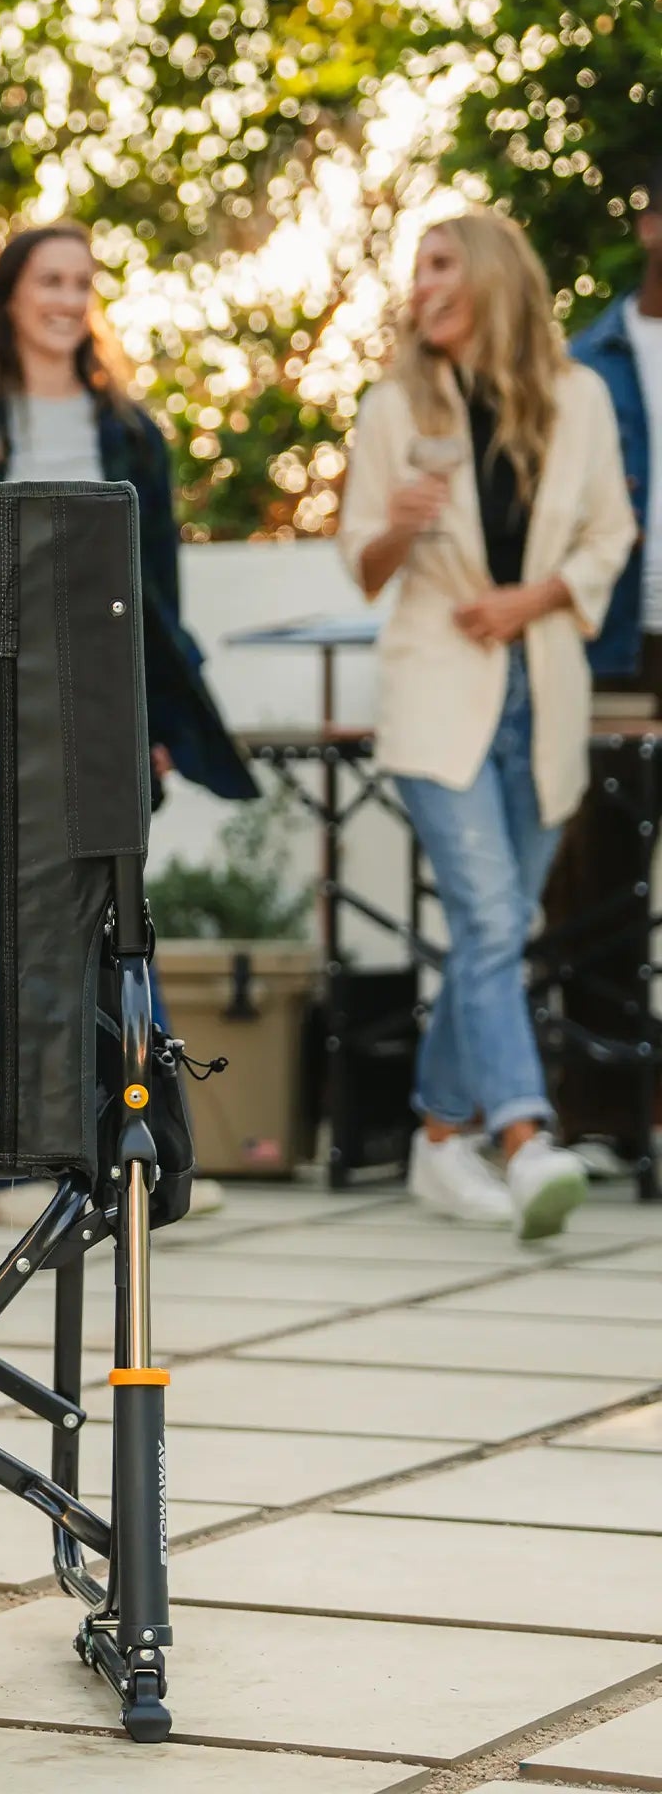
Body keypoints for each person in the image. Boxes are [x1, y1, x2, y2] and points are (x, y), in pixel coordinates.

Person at [0, 221, 255, 1223]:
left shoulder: (129, 432)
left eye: (80, 282)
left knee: (116, 930)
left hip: (96, 706)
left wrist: (156, 720)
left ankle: (149, 1161)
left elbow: (157, 596)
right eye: (49, 279)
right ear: (9, 294)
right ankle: (6, 1169)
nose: (66, 298)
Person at [339, 211, 634, 1237]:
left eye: (438, 263)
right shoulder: (393, 406)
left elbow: (612, 533)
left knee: (496, 927)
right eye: (415, 269)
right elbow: (362, 564)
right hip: (435, 688)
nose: (419, 283)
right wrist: (397, 526)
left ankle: (435, 1140)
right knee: (490, 915)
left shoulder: (578, 397)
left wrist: (531, 599)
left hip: (542, 688)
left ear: (491, 275)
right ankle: (521, 1135)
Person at [539, 156, 662, 1144]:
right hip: (614, 642)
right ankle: (601, 1109)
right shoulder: (586, 363)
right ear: (651, 225)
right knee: (595, 878)